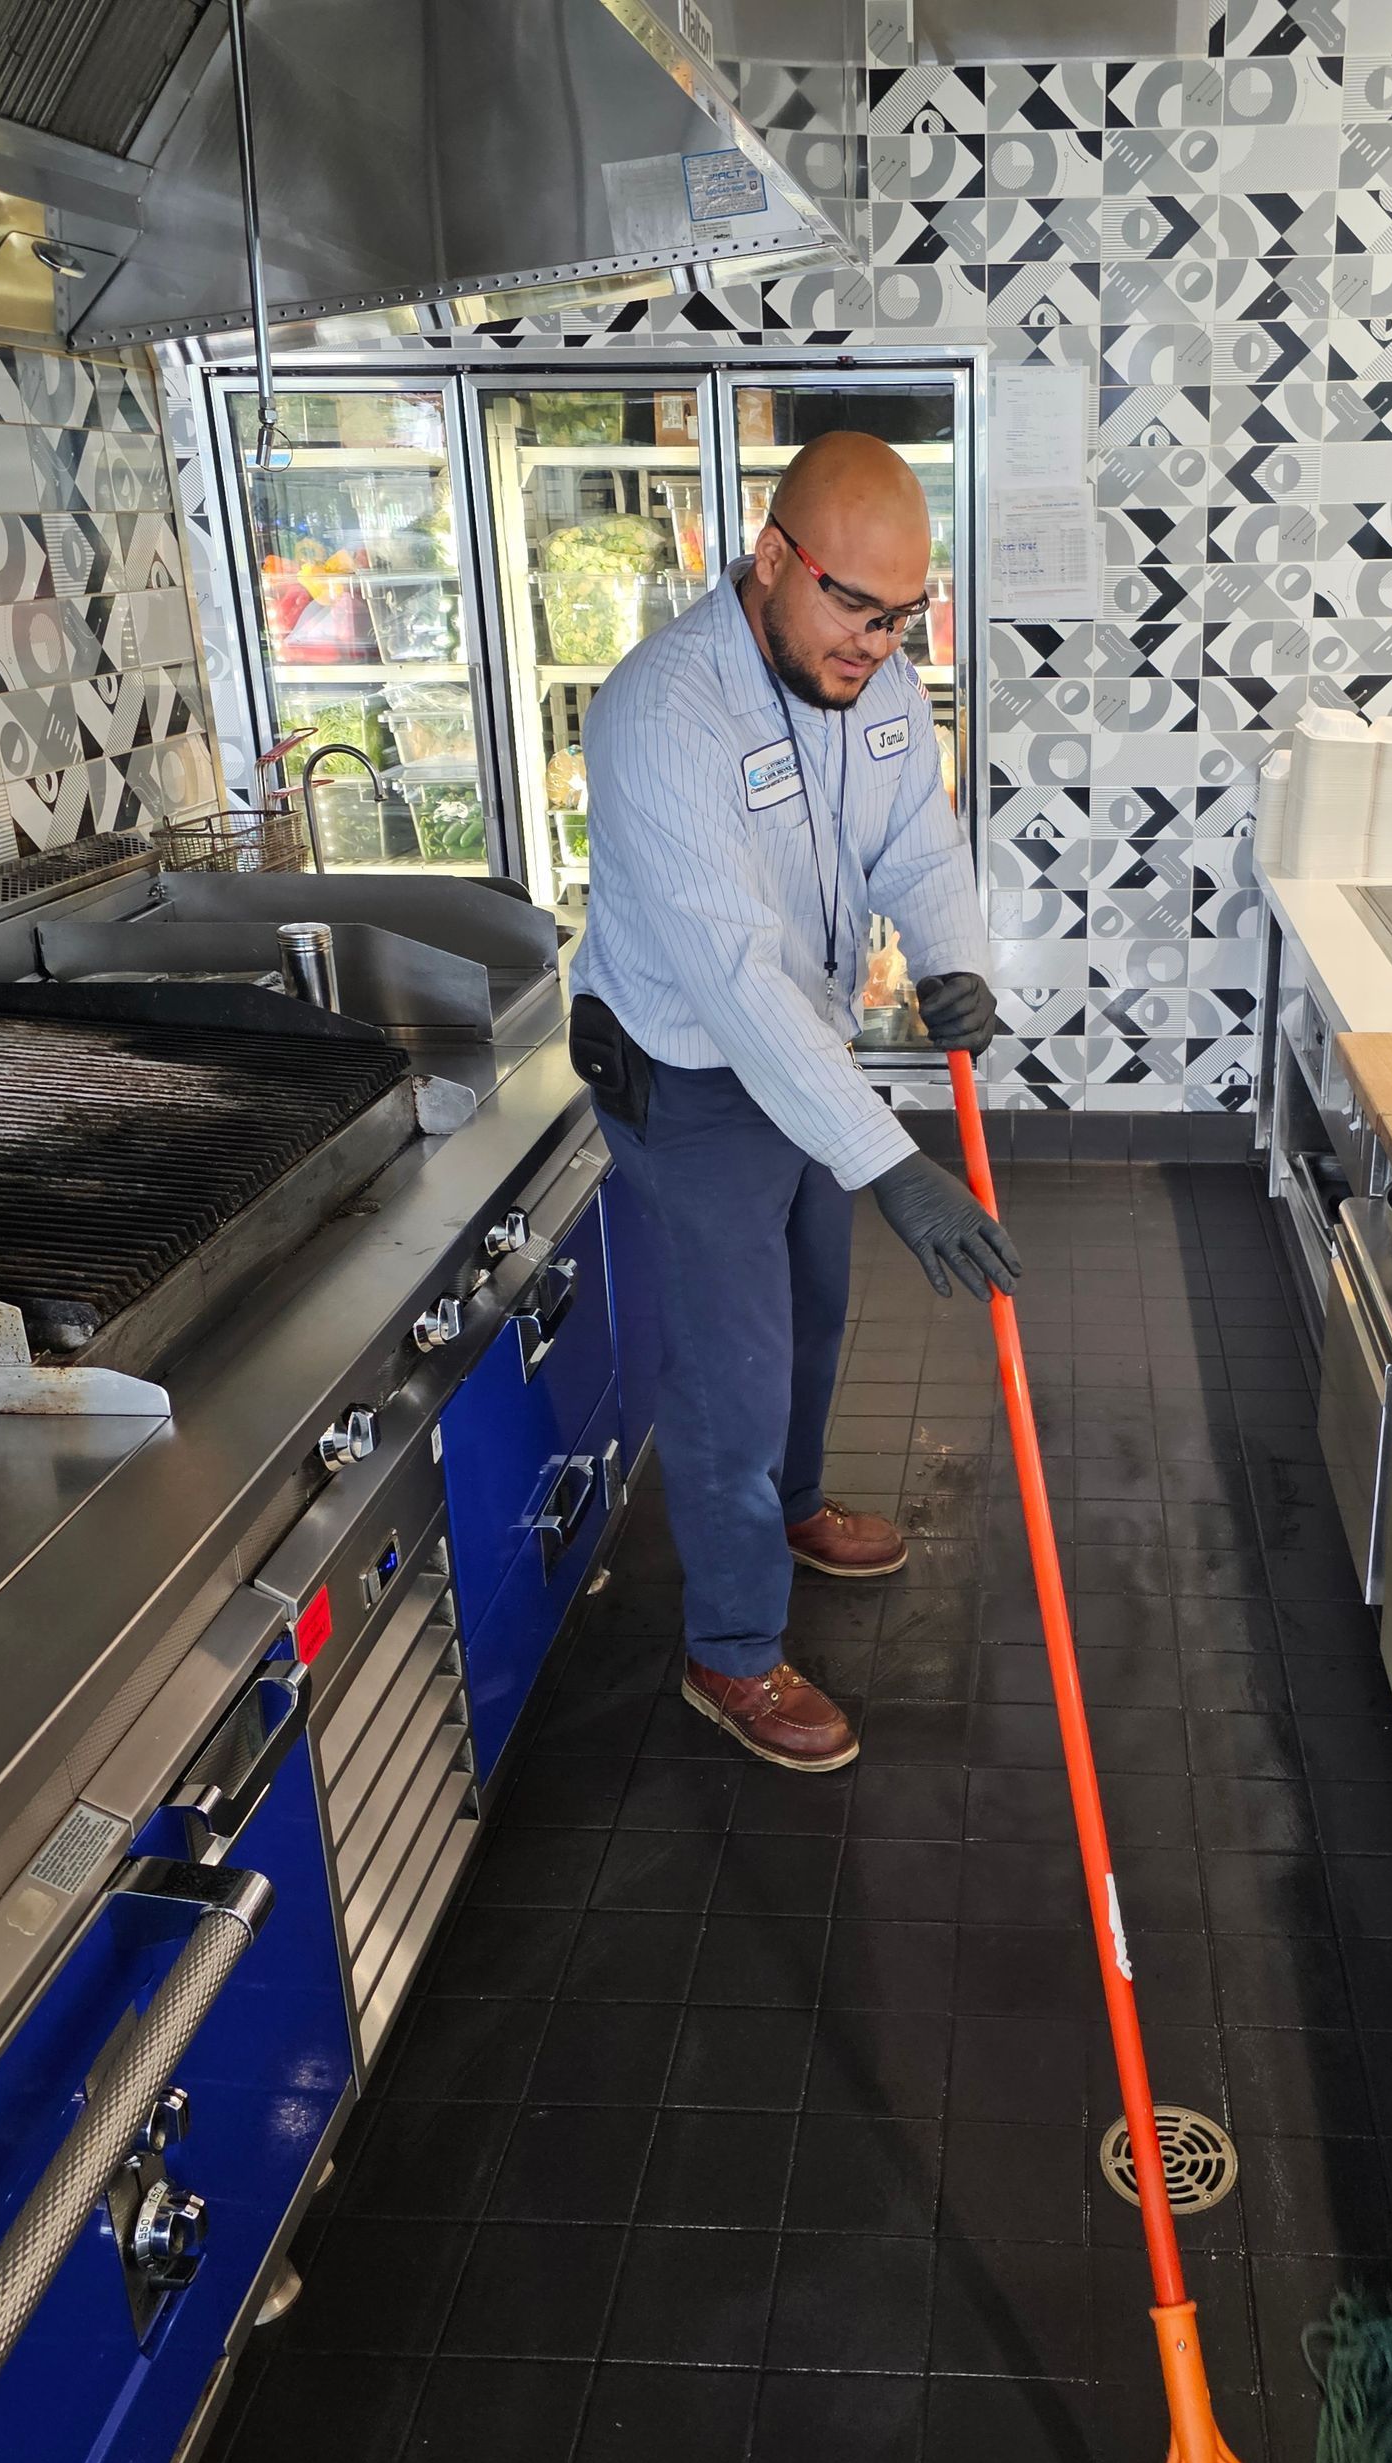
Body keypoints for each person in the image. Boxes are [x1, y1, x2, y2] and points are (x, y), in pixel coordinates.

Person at [568, 430, 1020, 1776]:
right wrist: (894, 1166)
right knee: (733, 1378)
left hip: (800, 1068)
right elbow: (735, 979)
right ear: (771, 559)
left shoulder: (870, 681)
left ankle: (798, 1505)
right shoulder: (662, 714)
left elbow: (914, 840)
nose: (878, 645)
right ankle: (734, 1652)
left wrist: (957, 962)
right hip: (692, 1076)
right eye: (853, 609)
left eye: (901, 618)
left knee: (818, 1307)